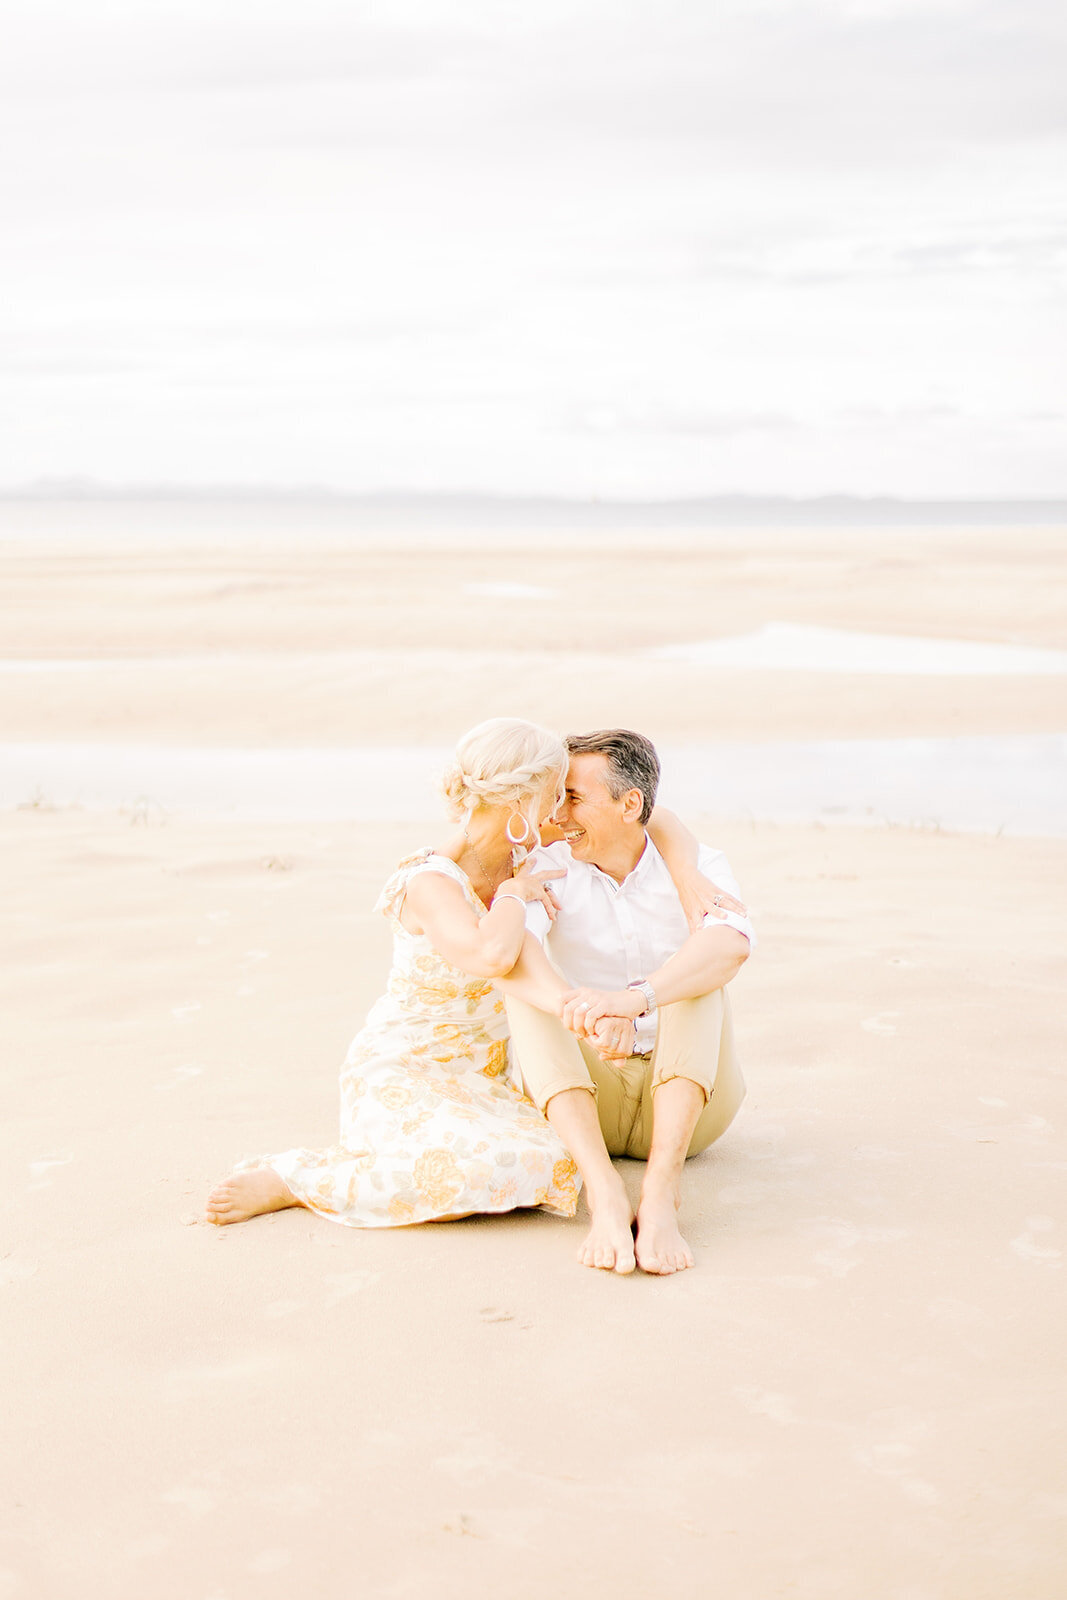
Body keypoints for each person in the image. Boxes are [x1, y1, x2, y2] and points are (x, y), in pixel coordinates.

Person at [204, 718, 724, 1232]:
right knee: (468, 1172)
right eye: (555, 795)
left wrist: (684, 871)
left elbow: (647, 815)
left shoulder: (526, 844)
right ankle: (294, 1180)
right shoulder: (431, 880)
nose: (562, 812)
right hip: (413, 1064)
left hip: (489, 1074)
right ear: (524, 801)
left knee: (549, 1164)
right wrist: (517, 897)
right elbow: (493, 956)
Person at [496, 729, 754, 1276]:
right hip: (592, 1100)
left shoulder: (696, 865)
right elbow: (513, 955)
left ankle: (662, 1191)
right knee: (521, 985)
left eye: (573, 797)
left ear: (629, 803)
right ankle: (604, 1191)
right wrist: (584, 1012)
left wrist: (632, 1002)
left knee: (697, 973)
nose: (558, 814)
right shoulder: (548, 867)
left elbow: (731, 945)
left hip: (693, 1107)